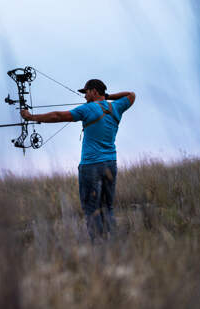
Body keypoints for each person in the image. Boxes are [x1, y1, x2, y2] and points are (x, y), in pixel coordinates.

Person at [20, 79, 135, 241]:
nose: (84, 96)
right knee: (107, 207)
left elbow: (57, 116)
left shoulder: (88, 109)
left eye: (86, 92)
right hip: (111, 163)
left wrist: (31, 117)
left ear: (94, 91)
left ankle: (98, 246)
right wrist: (107, 96)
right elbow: (131, 95)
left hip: (91, 166)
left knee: (91, 209)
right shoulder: (116, 107)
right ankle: (113, 245)